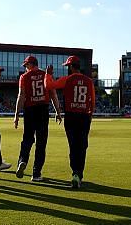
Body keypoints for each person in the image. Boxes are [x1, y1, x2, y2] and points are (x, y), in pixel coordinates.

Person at [45, 55, 95, 189]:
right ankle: (79, 173)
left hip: (71, 116)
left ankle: (75, 174)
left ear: (71, 67)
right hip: (84, 116)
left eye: (68, 67)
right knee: (82, 145)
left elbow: (49, 86)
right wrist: (89, 115)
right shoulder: (89, 81)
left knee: (73, 146)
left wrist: (48, 74)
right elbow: (92, 101)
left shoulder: (67, 79)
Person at [14, 56, 62, 182]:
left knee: (27, 139)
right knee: (41, 142)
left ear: (31, 64)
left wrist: (16, 114)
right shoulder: (45, 75)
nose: (25, 68)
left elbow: (21, 96)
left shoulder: (24, 77)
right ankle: (36, 173)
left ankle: (23, 160)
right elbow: (53, 95)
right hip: (42, 109)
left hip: (29, 110)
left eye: (26, 65)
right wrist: (58, 111)